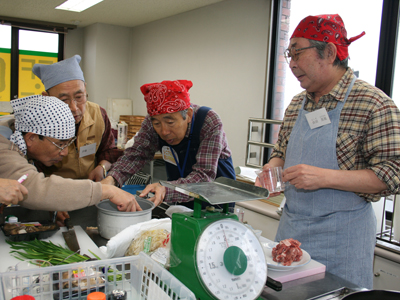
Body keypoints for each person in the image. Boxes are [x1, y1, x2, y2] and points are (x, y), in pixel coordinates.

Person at [258, 14, 400, 289]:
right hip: (292, 229)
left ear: (330, 52)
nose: (292, 64)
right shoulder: (298, 103)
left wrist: (324, 178)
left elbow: (392, 175)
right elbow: (281, 148)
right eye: (290, 54)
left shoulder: (374, 104)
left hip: (342, 240)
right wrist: (272, 167)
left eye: (298, 52)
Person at [102, 80, 235, 208]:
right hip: (181, 198)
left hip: (216, 201)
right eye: (157, 124)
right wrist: (111, 180)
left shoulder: (208, 121)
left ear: (188, 115)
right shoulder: (152, 121)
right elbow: (135, 156)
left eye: (170, 123)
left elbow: (204, 176)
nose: (164, 131)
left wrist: (166, 189)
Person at [0, 95, 141, 212]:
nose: (65, 152)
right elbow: (32, 186)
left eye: (68, 144)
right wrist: (106, 190)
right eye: (60, 144)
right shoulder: (4, 147)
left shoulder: (17, 134)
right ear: (31, 138)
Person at [32, 55, 122, 182]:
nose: (74, 108)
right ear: (46, 97)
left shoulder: (98, 114)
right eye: (63, 100)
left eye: (79, 97)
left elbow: (108, 151)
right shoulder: (37, 124)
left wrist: (101, 167)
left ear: (85, 89)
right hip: (53, 191)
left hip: (89, 186)